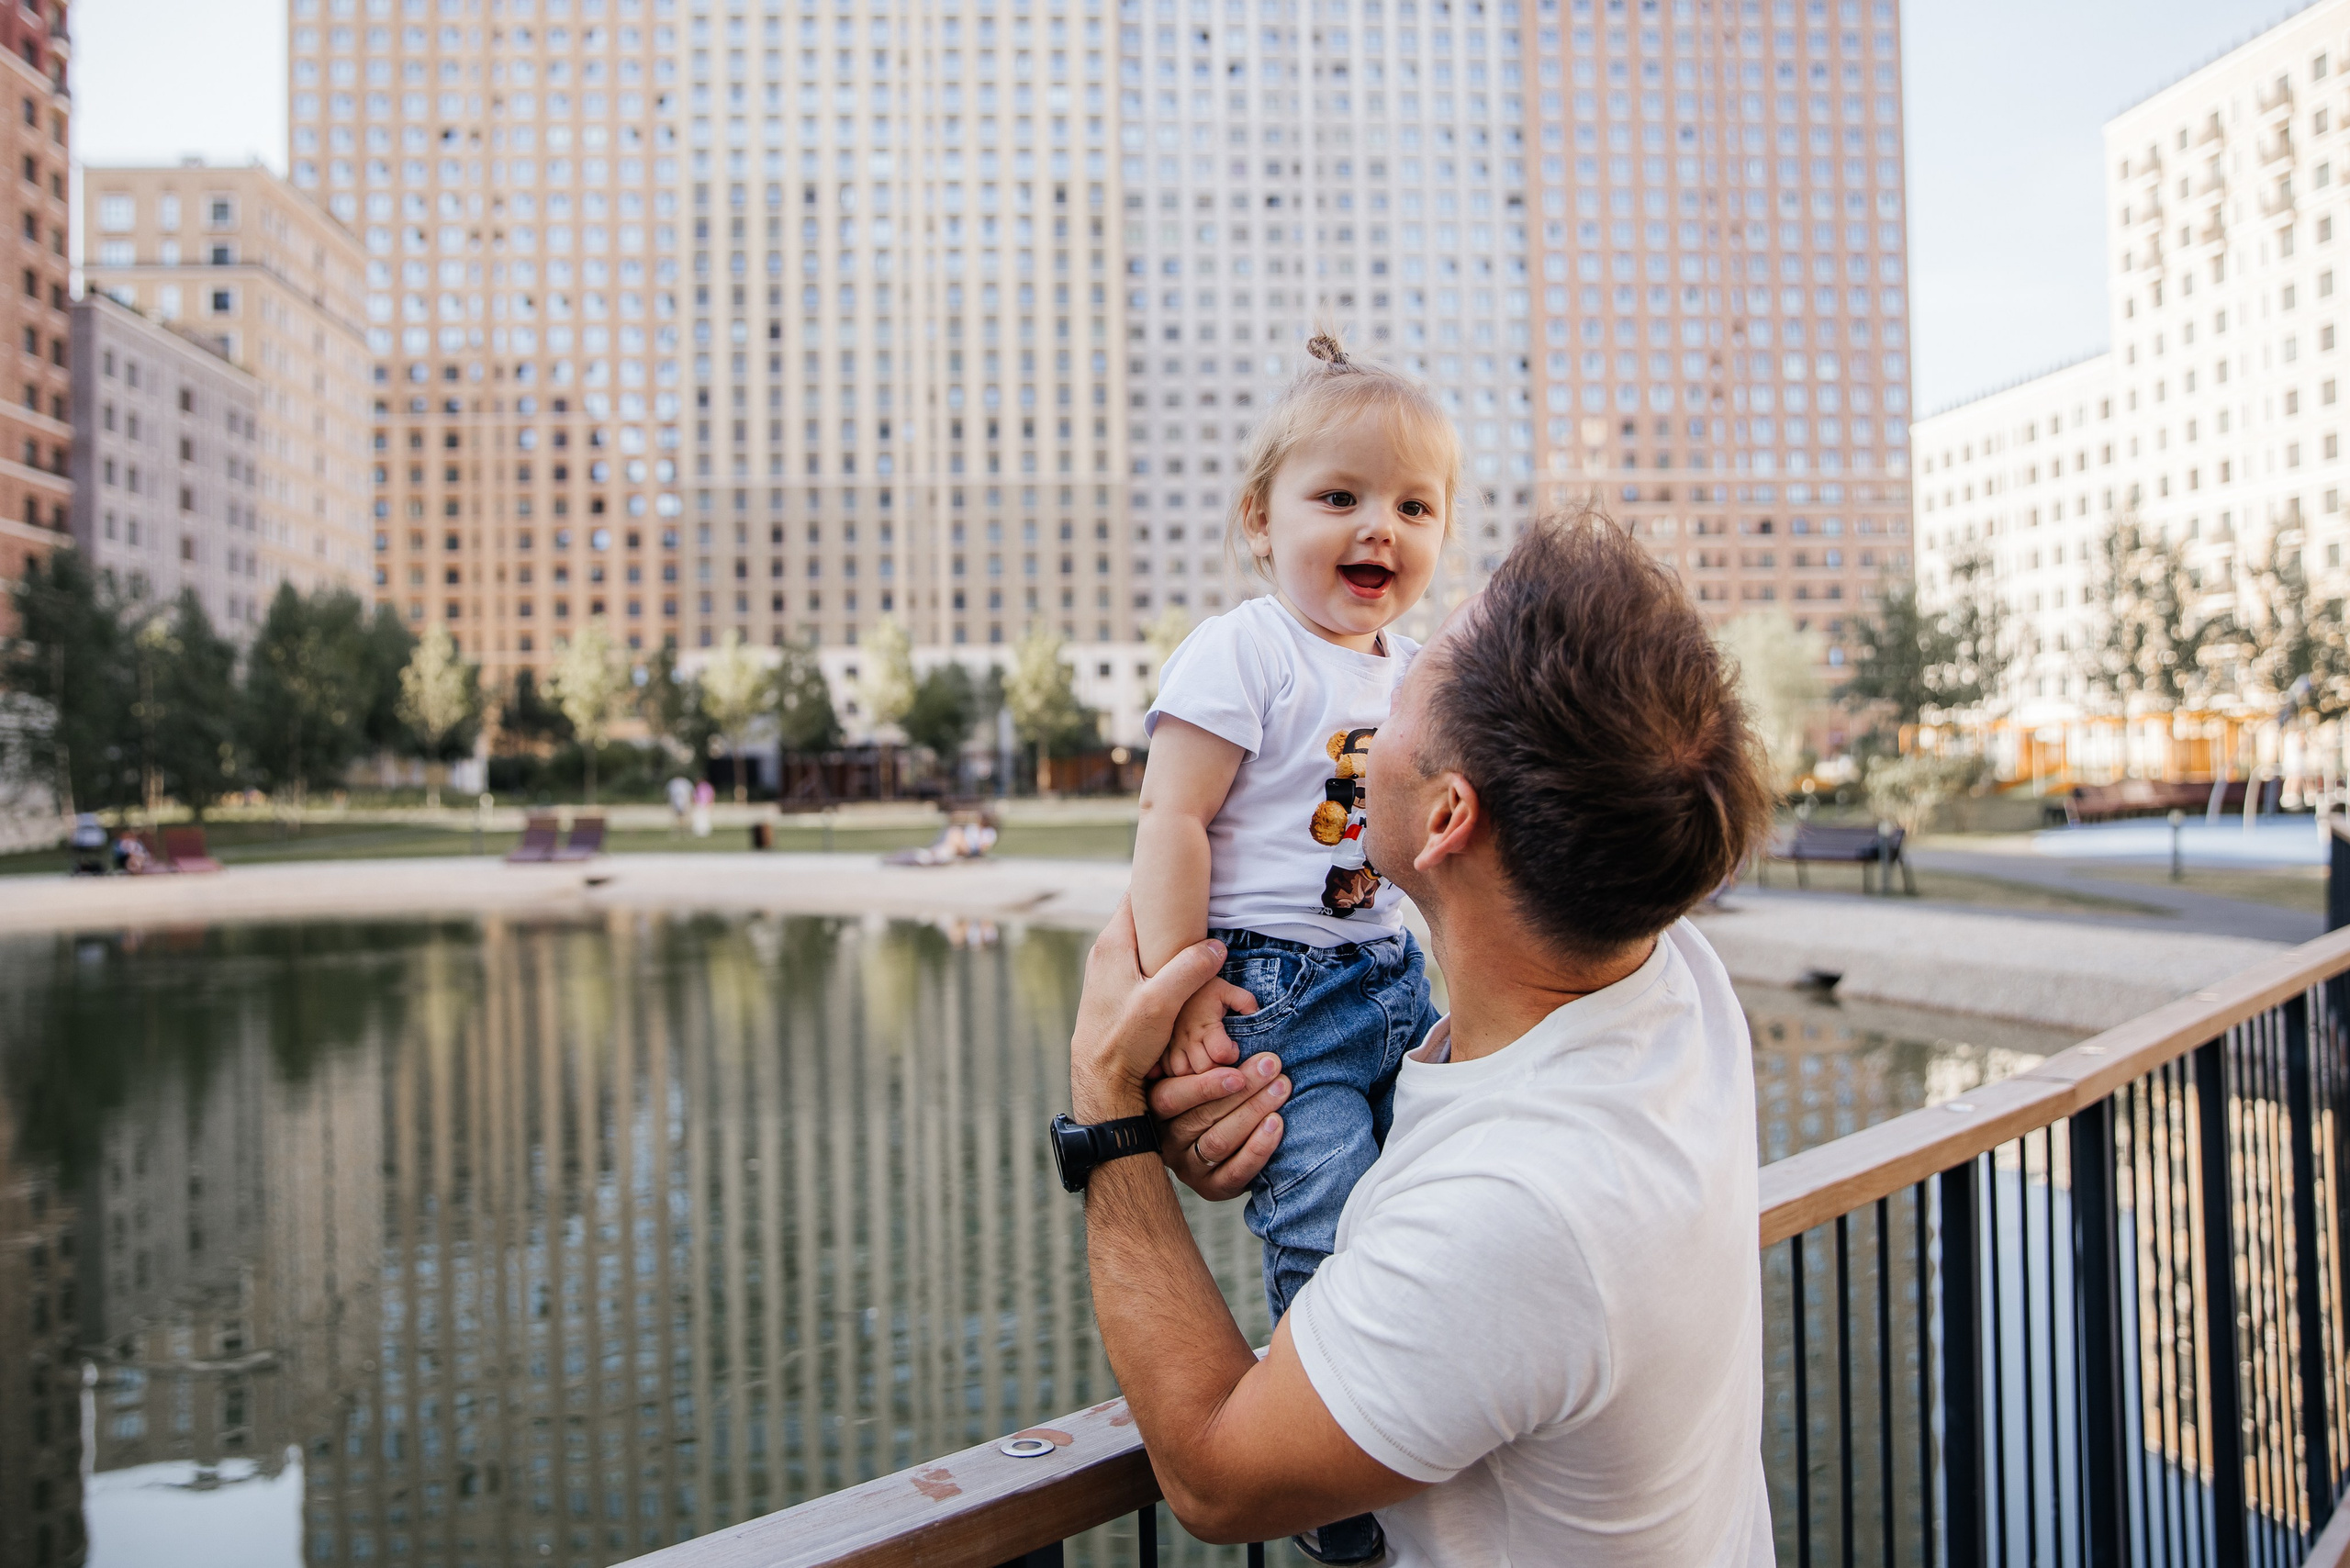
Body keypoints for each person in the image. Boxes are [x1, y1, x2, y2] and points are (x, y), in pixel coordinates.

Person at [1062, 515, 1778, 1566]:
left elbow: (1216, 1478)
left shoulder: (1521, 1214)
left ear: (1446, 817)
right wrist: (1285, 1120)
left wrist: (1106, 1116)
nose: (1371, 708)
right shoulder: (1672, 982)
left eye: (1400, 693)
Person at [1127, 334, 1457, 1562]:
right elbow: (1174, 823)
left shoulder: (1423, 672)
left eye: (1414, 507)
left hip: (1388, 975)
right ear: (1259, 521)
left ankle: (1429, 1402)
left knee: (1425, 1193)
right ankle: (1338, 1483)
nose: (1381, 528)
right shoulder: (1244, 650)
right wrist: (1181, 997)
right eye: (1342, 498)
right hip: (1273, 986)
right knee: (1321, 1208)